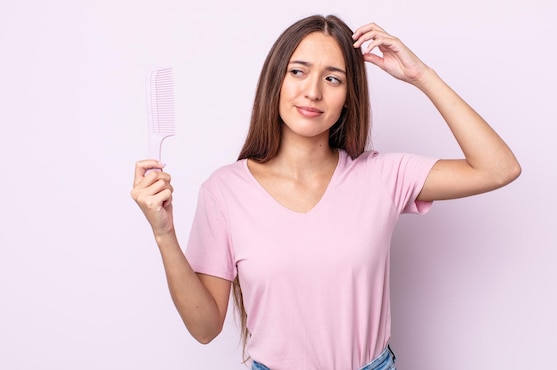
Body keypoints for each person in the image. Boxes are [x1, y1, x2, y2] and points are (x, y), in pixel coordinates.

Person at [131, 14, 520, 370]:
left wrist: (421, 76)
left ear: (349, 96)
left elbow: (499, 168)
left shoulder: (382, 176)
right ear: (276, 80)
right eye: (298, 71)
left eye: (332, 78)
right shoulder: (224, 191)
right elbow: (204, 328)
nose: (313, 91)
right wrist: (164, 234)